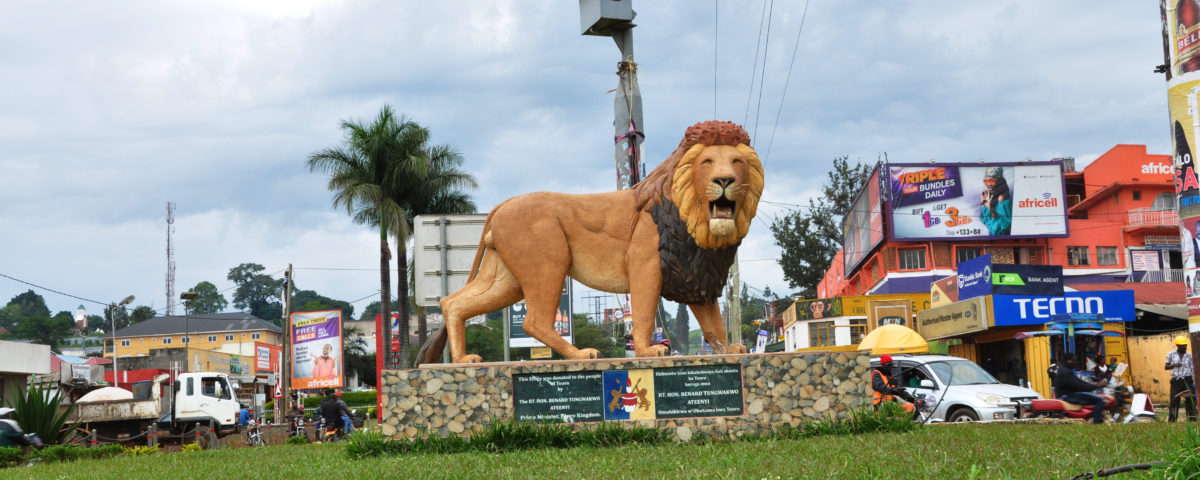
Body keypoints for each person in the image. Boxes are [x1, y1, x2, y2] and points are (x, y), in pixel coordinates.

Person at [1052, 356, 1107, 424]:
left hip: (1066, 395)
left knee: (1092, 397)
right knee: (1099, 400)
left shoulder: (1065, 369)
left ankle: (1095, 417)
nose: (1076, 363)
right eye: (1075, 361)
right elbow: (1077, 386)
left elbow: (1079, 382)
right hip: (1067, 396)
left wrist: (1094, 386)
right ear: (1069, 361)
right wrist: (1096, 386)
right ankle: (1096, 423)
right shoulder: (1065, 372)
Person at [1165, 335, 1197, 422]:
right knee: (1174, 400)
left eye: (1185, 345)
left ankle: (1192, 420)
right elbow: (1166, 367)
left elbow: (1192, 369)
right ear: (1178, 346)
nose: (1185, 347)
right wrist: (1174, 365)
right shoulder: (1171, 354)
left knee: (1190, 400)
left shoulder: (1189, 355)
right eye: (1183, 345)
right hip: (1176, 381)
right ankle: (1172, 421)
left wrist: (1194, 382)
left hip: (1188, 379)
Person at [979, 166, 1012, 236]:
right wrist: (984, 203)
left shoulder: (1001, 197)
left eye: (992, 181)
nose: (989, 184)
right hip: (991, 238)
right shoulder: (991, 195)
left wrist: (989, 207)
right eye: (986, 181)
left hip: (1002, 239)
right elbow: (985, 220)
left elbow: (1003, 226)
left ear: (999, 181)